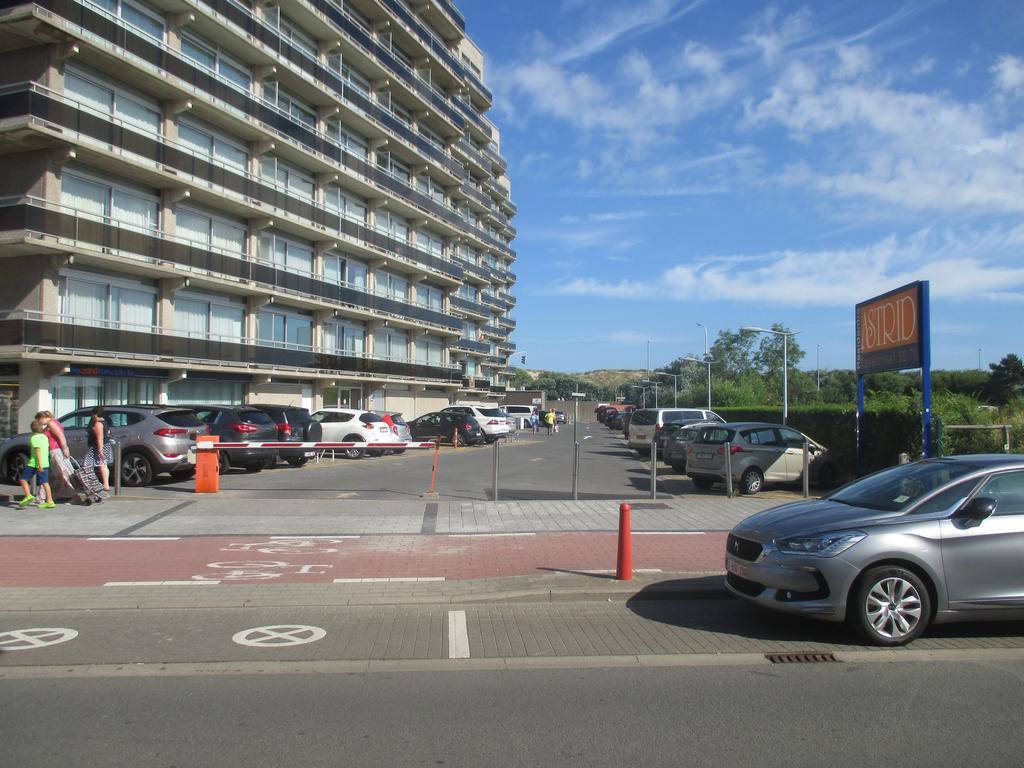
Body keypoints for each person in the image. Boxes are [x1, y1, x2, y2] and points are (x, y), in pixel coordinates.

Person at [18, 419, 54, 509]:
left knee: (23, 479)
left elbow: (38, 451)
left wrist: (40, 465)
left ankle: (28, 496)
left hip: (35, 463)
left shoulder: (34, 438)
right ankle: (50, 501)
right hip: (45, 462)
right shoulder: (45, 437)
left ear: (32, 429)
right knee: (45, 482)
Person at [37, 410, 71, 502]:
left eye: (39, 420)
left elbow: (61, 436)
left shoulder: (52, 424)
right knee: (56, 474)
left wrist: (65, 449)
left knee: (59, 473)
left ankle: (68, 493)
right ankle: (55, 494)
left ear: (43, 418)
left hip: (55, 450)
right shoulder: (53, 423)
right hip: (55, 450)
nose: (39, 423)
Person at [84, 405, 112, 494]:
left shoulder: (98, 424)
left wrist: (100, 449)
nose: (92, 416)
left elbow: (100, 437)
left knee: (88, 464)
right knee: (104, 465)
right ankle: (106, 484)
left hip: (97, 447)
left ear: (96, 414)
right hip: (106, 445)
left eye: (93, 414)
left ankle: (92, 483)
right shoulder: (105, 422)